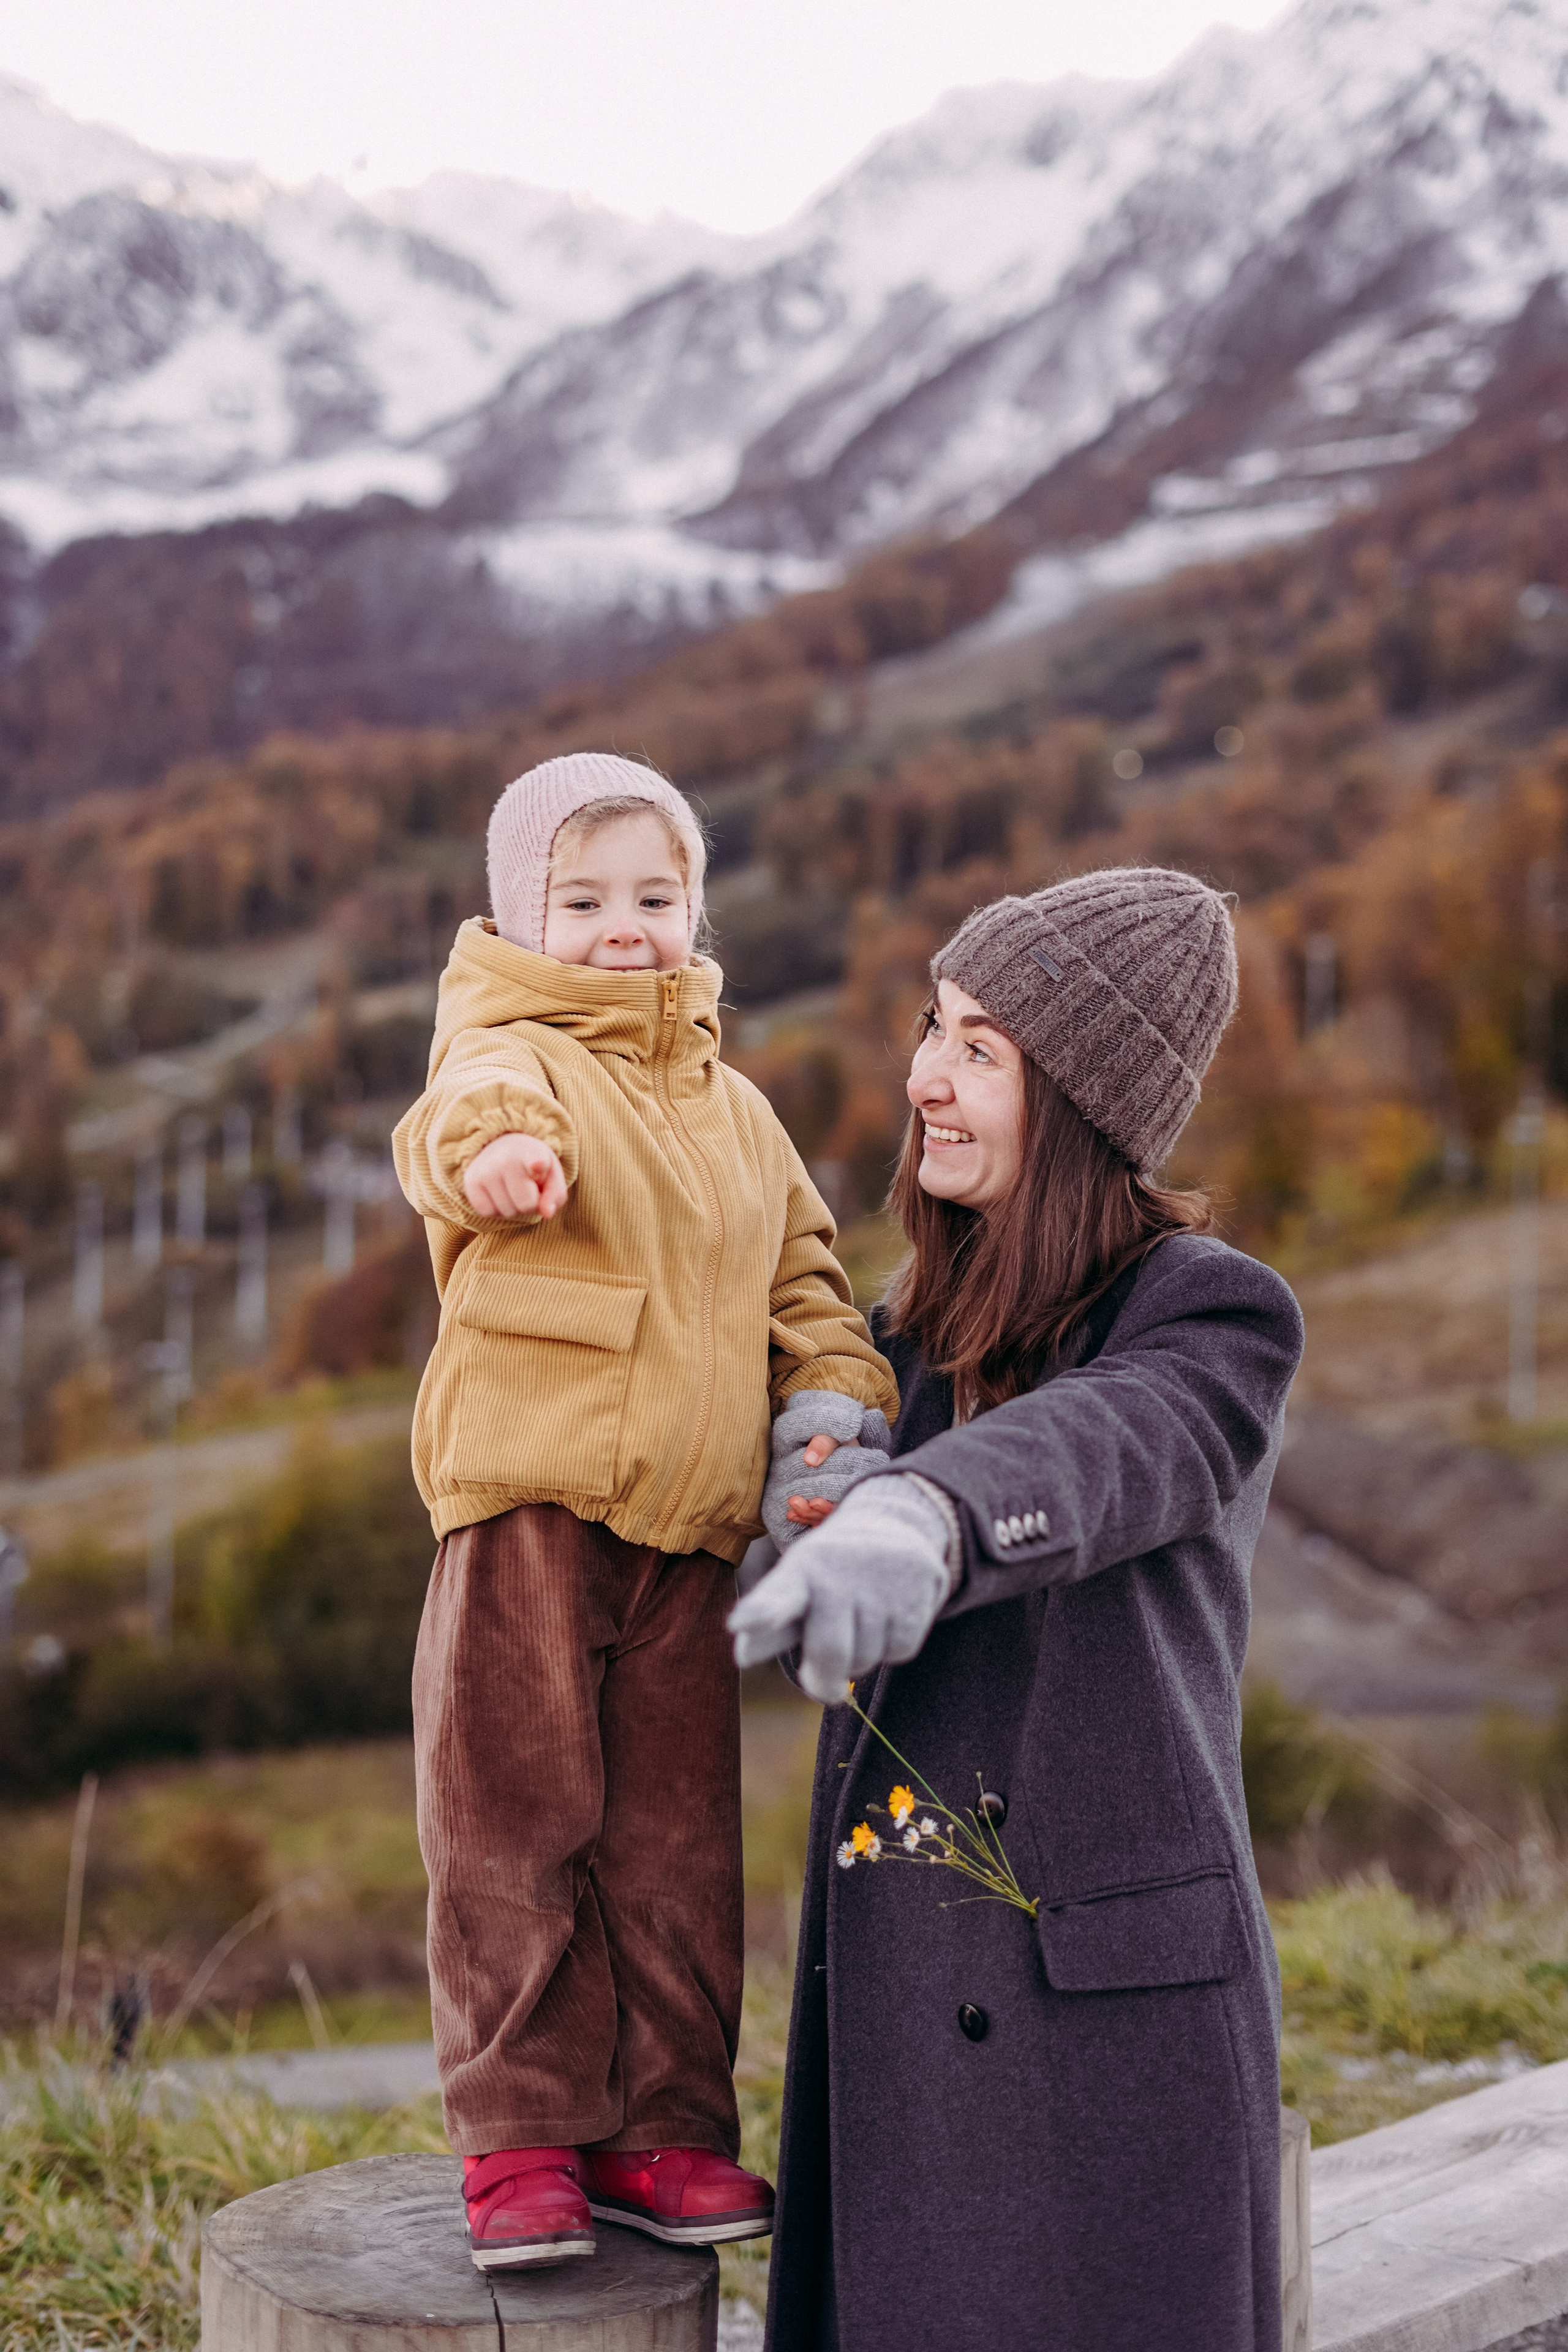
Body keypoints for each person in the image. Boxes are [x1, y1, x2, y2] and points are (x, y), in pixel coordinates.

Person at [730, 867, 1305, 2352]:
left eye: (979, 1050)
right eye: (934, 1026)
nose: (923, 1076)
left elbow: (1106, 1444)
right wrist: (795, 1492)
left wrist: (921, 1515)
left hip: (1108, 2055)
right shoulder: (898, 1340)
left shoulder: (1207, 1314)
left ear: (1082, 1106)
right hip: (900, 2032)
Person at [392, 752, 897, 2272]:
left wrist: (829, 1401)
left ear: (695, 908)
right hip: (531, 1498)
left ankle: (660, 2131)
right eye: (584, 900)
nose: (625, 928)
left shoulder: (736, 1111)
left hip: (690, 1530)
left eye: (657, 896)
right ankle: (520, 2134)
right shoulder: (511, 1051)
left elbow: (806, 1277)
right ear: (520, 918)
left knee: (672, 1848)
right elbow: (456, 1118)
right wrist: (498, 1160)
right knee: (513, 1820)